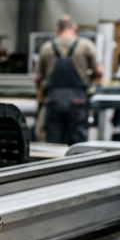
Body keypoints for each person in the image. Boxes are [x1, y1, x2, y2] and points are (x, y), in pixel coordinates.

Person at [34, 14, 102, 145]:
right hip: (78, 100)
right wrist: (90, 79)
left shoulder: (46, 47)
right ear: (75, 28)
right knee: (77, 143)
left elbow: (38, 77)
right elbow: (99, 71)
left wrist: (40, 95)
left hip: (53, 100)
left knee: (53, 142)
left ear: (57, 29)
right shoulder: (86, 45)